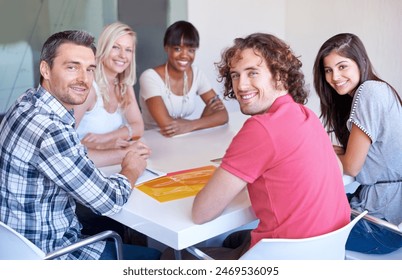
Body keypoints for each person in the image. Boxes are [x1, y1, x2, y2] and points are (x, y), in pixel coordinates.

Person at [188, 33, 351, 260]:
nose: (241, 85)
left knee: (170, 256)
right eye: (235, 75)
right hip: (325, 255)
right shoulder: (307, 115)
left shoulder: (261, 128)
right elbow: (337, 167)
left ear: (280, 76)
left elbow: (201, 213)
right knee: (233, 240)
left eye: (253, 73)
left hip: (283, 260)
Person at [0, 30, 160, 260]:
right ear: (45, 69)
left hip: (14, 247)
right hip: (51, 254)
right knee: (156, 257)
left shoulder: (26, 102)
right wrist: (132, 167)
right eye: (72, 67)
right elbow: (110, 201)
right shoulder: (51, 130)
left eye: (89, 69)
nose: (84, 79)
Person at [313, 33, 402, 254]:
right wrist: (331, 150)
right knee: (308, 203)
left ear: (360, 62)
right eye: (328, 70)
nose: (335, 77)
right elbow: (380, 154)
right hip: (383, 216)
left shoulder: (369, 91)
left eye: (342, 67)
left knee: (295, 216)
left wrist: (314, 154)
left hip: (379, 227)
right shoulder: (381, 90)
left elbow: (352, 166)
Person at [139, 20, 228, 137]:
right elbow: (167, 126)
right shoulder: (150, 77)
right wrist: (204, 120)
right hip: (154, 141)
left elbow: (223, 115)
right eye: (178, 49)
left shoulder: (197, 74)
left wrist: (191, 125)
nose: (185, 55)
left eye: (191, 50)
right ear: (166, 48)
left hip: (184, 139)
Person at [74, 22, 144, 167]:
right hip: (83, 167)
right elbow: (60, 144)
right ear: (103, 48)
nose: (122, 56)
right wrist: (102, 145)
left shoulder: (123, 84)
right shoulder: (88, 88)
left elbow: (138, 127)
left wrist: (106, 138)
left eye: (128, 50)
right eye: (115, 47)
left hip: (109, 165)